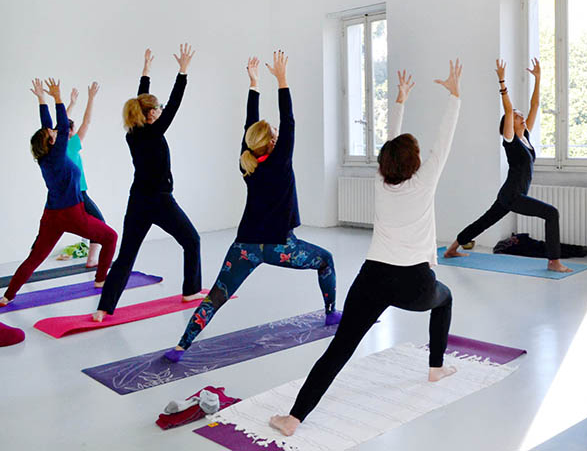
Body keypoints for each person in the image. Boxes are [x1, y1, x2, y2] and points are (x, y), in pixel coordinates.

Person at [269, 61, 463, 437]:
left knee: (340, 348)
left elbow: (389, 144)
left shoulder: (379, 182)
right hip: (417, 284)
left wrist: (400, 101)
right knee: (446, 299)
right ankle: (435, 367)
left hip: (372, 278)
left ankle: (294, 418)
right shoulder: (424, 183)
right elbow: (445, 139)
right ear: (416, 164)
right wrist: (455, 95)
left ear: (385, 164)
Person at [163, 52, 341, 362]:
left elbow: (252, 126)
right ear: (273, 142)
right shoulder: (281, 161)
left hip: (244, 246)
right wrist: (282, 81)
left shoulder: (248, 165)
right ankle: (330, 313)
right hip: (279, 246)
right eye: (274, 134)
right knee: (326, 260)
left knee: (217, 295)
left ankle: (180, 347)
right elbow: (289, 121)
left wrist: (255, 84)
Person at [93, 45, 204, 321]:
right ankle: (190, 290)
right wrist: (183, 72)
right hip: (160, 200)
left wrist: (145, 71)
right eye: (158, 108)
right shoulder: (154, 132)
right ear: (151, 113)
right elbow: (175, 104)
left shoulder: (133, 132)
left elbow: (140, 100)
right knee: (192, 240)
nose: (161, 111)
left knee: (127, 256)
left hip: (138, 200)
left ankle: (104, 308)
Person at [443, 58, 570, 272]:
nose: (520, 115)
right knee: (552, 213)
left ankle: (451, 249)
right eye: (516, 115)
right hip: (513, 195)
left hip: (509, 194)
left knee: (483, 222)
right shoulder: (509, 139)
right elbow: (509, 110)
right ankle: (554, 261)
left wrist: (539, 78)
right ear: (508, 125)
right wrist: (502, 81)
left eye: (521, 115)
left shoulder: (525, 136)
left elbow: (535, 105)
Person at [1, 78, 117, 306]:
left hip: (51, 215)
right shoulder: (57, 151)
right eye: (52, 134)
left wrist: (42, 101)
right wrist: (58, 99)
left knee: (34, 259)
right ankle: (101, 280)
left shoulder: (44, 157)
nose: (55, 131)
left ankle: (7, 296)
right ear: (52, 142)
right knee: (111, 237)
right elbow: (62, 127)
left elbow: (49, 127)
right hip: (73, 214)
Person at [40, 82, 104, 267]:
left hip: (60, 197)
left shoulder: (53, 150)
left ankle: (90, 258)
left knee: (49, 231)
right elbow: (87, 121)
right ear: (71, 132)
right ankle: (92, 259)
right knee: (99, 222)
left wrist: (72, 103)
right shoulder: (73, 145)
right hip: (79, 194)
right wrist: (91, 98)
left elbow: (62, 122)